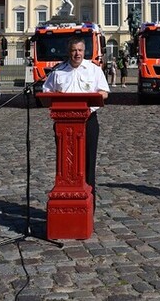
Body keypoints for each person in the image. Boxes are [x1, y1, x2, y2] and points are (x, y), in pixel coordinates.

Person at [42, 37, 110, 207]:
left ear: (84, 51)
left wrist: (93, 98)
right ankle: (67, 200)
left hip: (88, 121)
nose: (77, 54)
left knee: (88, 162)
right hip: (63, 124)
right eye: (73, 50)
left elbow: (104, 93)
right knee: (65, 164)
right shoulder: (58, 71)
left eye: (80, 50)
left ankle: (88, 203)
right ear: (69, 51)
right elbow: (46, 92)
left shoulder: (94, 70)